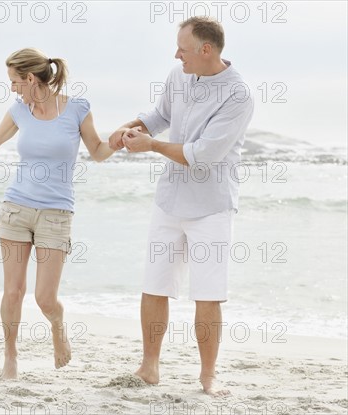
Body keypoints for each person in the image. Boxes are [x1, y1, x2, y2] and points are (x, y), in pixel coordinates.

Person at [0, 48, 115, 379]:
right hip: (16, 208)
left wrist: (120, 140)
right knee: (13, 291)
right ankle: (10, 356)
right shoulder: (19, 110)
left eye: (14, 81)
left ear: (30, 78)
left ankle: (57, 328)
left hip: (56, 213)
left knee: (45, 298)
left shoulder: (77, 109)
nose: (11, 88)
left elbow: (98, 151)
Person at [109, 17, 254, 396]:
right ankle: (149, 367)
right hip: (169, 200)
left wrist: (152, 146)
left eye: (183, 49)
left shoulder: (238, 96)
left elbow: (203, 155)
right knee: (154, 285)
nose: (177, 55)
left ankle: (208, 375)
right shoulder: (179, 75)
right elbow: (160, 117)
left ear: (207, 50)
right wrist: (132, 128)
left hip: (212, 207)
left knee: (207, 293)